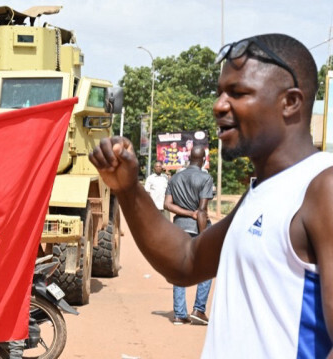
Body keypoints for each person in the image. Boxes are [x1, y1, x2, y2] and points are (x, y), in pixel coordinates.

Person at [88, 34, 333, 357]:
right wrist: (129, 190)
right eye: (219, 92)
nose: (219, 105)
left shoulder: (322, 189)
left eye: (238, 93)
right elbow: (185, 262)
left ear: (290, 102)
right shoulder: (263, 190)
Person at [163, 146, 213, 325]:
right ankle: (198, 310)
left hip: (178, 230)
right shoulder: (205, 178)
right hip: (197, 229)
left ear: (189, 158)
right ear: (203, 159)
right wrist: (203, 236)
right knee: (207, 269)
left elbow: (167, 205)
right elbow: (202, 211)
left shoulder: (175, 178)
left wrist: (185, 212)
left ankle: (179, 314)